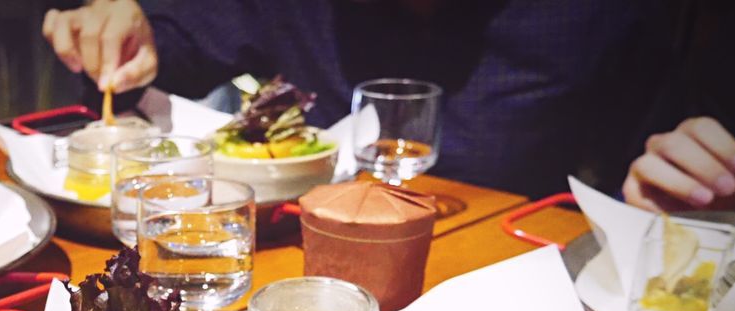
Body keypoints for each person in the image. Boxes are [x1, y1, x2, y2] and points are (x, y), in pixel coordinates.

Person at [42, 0, 667, 199]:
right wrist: (120, 38)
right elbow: (169, 47)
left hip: (503, 272)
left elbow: (652, 166)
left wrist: (680, 190)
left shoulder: (596, 15)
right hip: (308, 273)